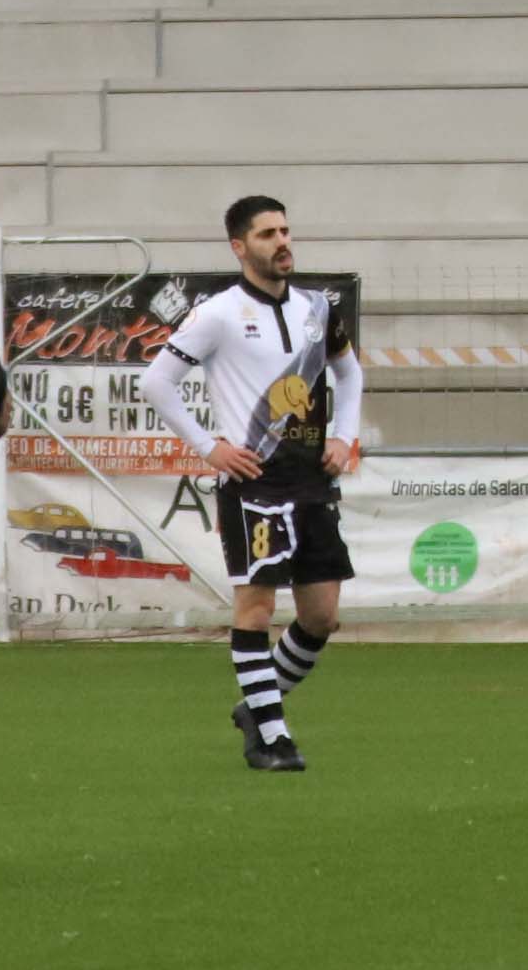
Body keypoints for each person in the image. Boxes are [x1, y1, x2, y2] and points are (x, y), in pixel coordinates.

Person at [135, 197, 365, 774]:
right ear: (240, 247)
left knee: (321, 617)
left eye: (286, 230)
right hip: (254, 482)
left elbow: (349, 369)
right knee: (256, 608)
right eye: (267, 234)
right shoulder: (218, 313)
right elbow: (157, 382)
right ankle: (271, 737)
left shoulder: (317, 307)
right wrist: (210, 448)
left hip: (312, 479)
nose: (282, 241)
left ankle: (255, 707)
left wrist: (345, 434)